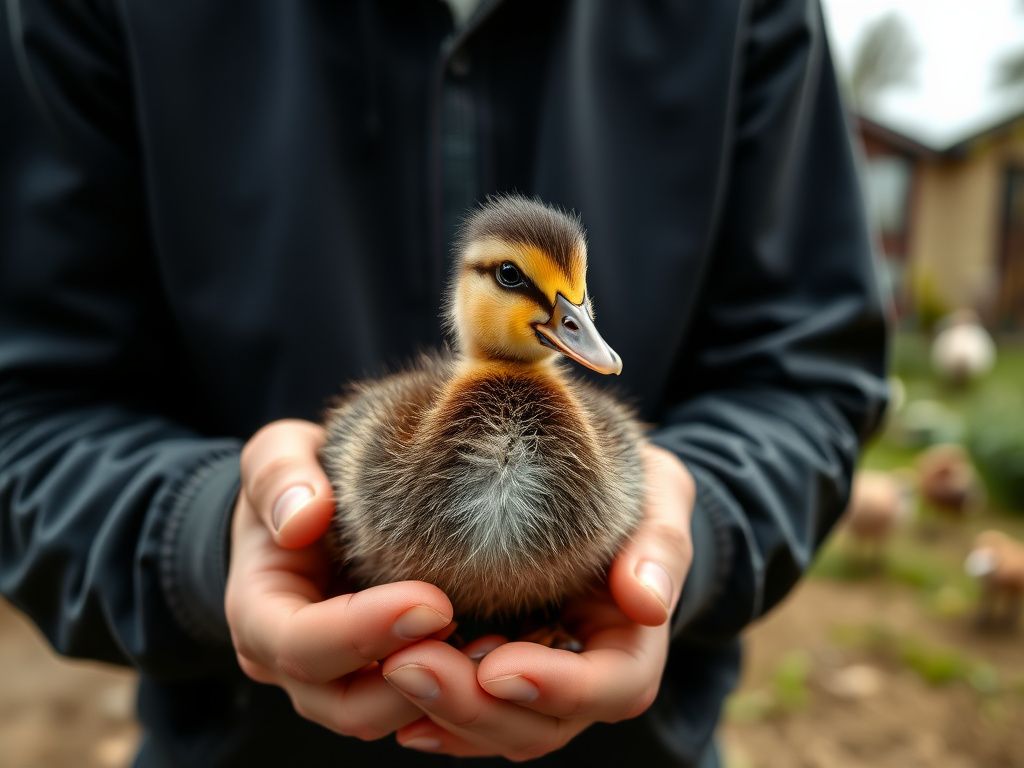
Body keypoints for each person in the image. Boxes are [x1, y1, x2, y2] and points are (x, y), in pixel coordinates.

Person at [0, 1, 888, 766]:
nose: (571, 321)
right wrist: (202, 533)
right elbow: (31, 405)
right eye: (523, 285)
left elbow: (806, 368)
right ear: (470, 290)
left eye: (573, 301)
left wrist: (699, 527)